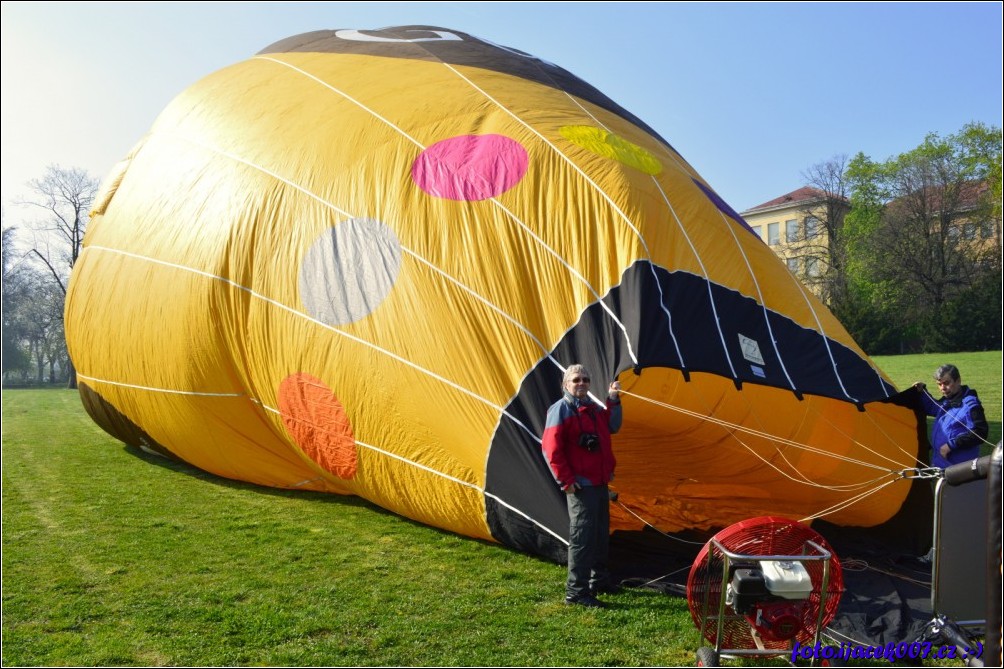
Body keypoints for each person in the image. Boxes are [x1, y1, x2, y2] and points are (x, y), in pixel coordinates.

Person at [541, 363, 622, 607]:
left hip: (598, 482)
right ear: (566, 384)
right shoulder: (561, 410)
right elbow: (550, 449)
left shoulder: (593, 409)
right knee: (582, 538)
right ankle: (576, 592)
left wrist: (613, 398)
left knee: (599, 534)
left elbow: (613, 426)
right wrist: (566, 481)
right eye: (576, 380)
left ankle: (598, 580)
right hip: (580, 486)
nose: (582, 383)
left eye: (585, 380)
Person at [914, 363, 989, 469]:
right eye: (939, 384)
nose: (942, 388)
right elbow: (933, 408)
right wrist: (922, 392)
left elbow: (980, 432)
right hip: (943, 466)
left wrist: (951, 445)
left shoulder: (970, 405)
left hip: (961, 469)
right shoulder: (947, 401)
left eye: (946, 383)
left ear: (958, 381)